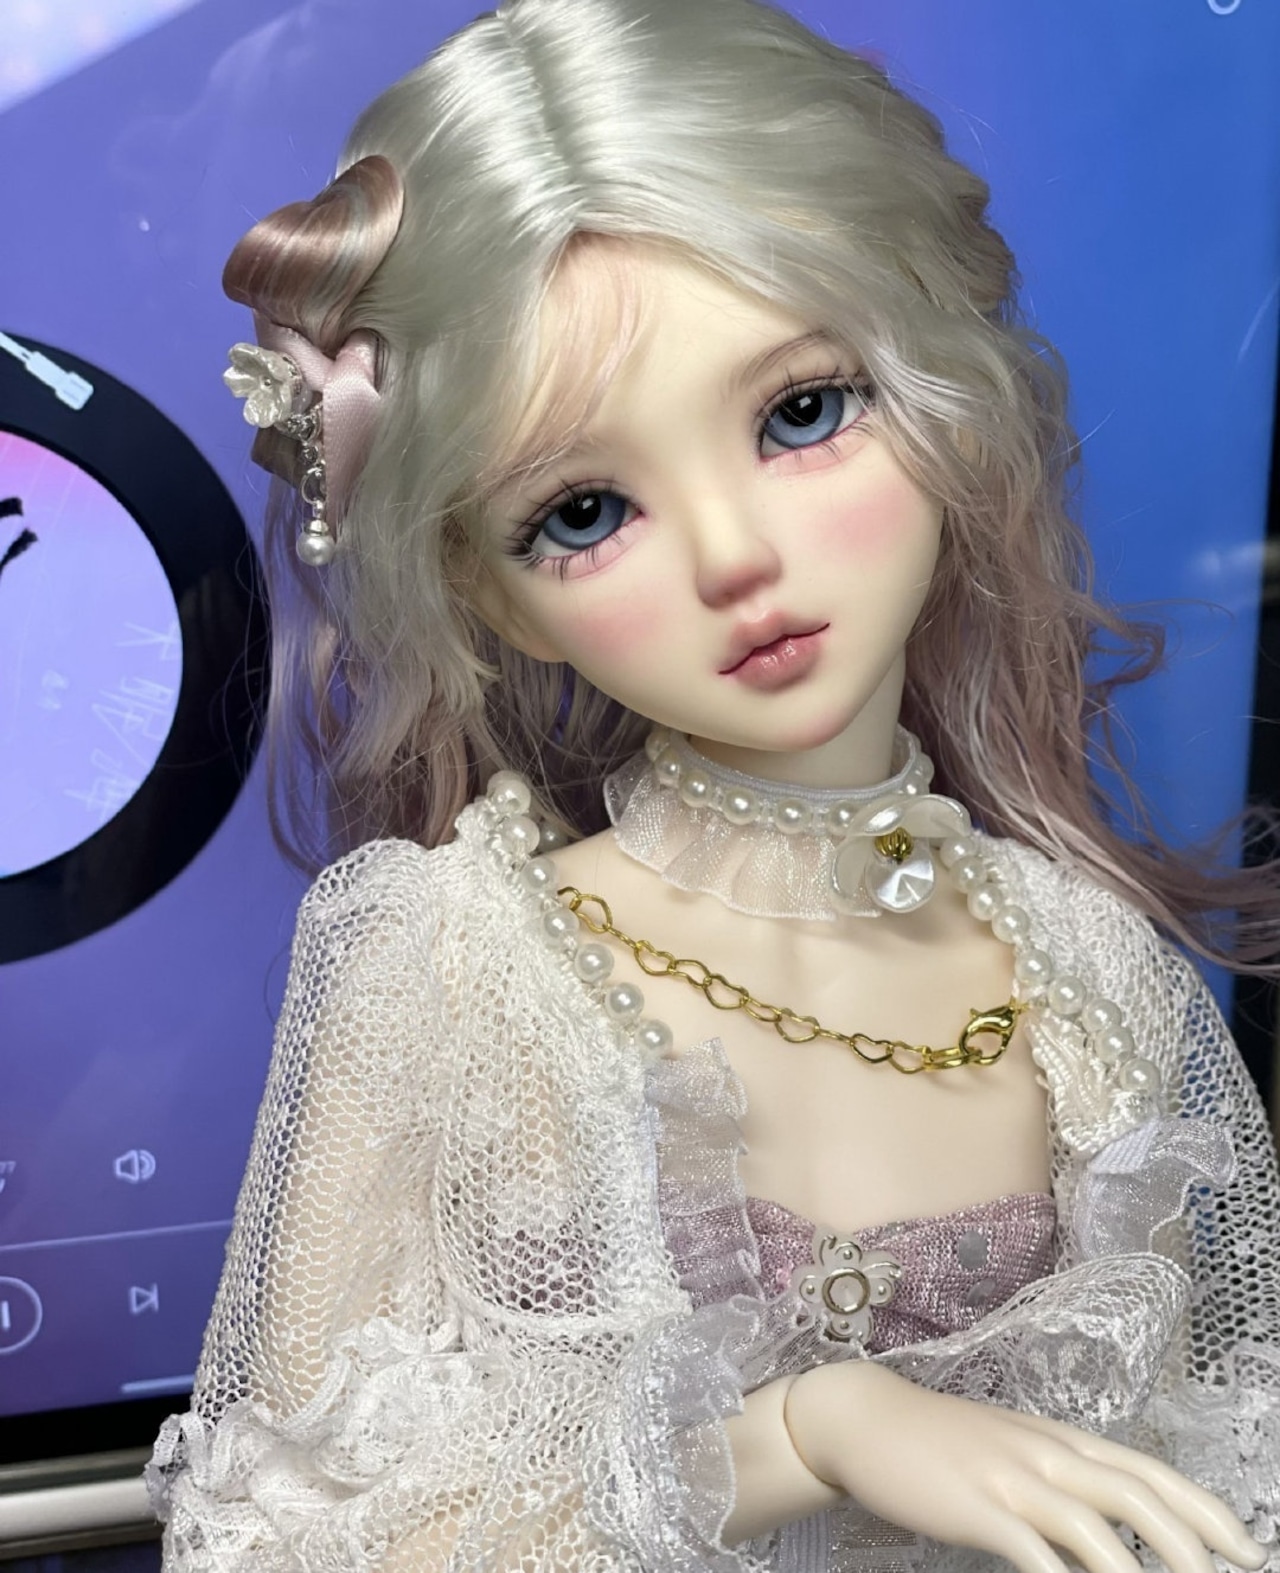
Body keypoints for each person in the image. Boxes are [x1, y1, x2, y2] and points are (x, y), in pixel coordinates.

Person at [149, 0, 1280, 1567]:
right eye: (585, 511)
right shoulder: (452, 965)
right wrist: (802, 1433)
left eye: (802, 412)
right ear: (481, 586)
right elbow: (282, 1539)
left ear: (946, 391)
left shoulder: (1085, 978)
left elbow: (1200, 1483)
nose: (738, 557)